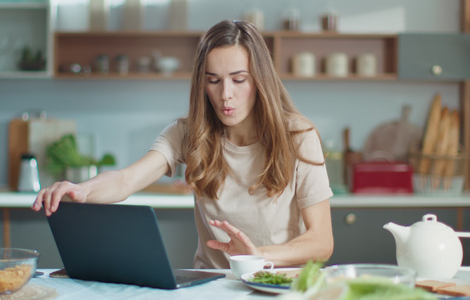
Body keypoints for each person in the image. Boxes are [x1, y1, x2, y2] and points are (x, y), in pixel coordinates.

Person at [32, 20, 334, 269]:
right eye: (213, 80)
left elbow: (321, 242)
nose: (225, 94)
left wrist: (257, 256)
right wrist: (81, 190)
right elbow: (126, 179)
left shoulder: (298, 137)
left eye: (239, 80)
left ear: (260, 80)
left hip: (276, 286)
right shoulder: (189, 133)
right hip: (211, 287)